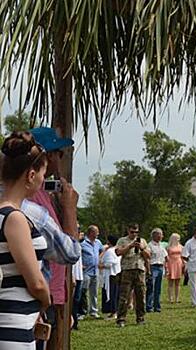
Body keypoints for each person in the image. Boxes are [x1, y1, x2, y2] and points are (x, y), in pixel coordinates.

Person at [28, 126, 80, 347]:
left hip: (47, 295)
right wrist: (70, 208)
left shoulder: (37, 194)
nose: (62, 158)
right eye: (59, 153)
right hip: (41, 297)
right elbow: (70, 251)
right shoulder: (33, 202)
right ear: (48, 157)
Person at [0, 131, 51, 349]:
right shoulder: (15, 219)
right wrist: (46, 301)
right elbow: (36, 282)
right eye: (43, 174)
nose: (43, 180)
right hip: (14, 320)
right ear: (31, 175)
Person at [115, 223, 151, 327]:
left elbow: (148, 256)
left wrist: (142, 248)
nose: (134, 234)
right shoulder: (122, 240)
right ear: (128, 230)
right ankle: (121, 319)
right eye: (132, 232)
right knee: (124, 296)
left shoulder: (142, 241)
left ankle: (140, 318)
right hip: (127, 270)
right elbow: (118, 252)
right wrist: (130, 246)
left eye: (136, 232)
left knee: (141, 295)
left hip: (139, 270)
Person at [81, 225, 104, 318]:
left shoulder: (98, 242)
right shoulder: (82, 242)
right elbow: (77, 253)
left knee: (94, 292)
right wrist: (80, 264)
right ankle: (82, 311)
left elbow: (102, 250)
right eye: (96, 232)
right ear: (91, 233)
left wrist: (99, 258)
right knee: (83, 292)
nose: (98, 234)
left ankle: (93, 311)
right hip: (86, 271)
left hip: (95, 271)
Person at [146, 228, 167, 313]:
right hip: (153, 266)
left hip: (160, 267)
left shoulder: (161, 246)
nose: (161, 236)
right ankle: (149, 306)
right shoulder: (149, 245)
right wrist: (148, 270)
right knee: (151, 287)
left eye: (161, 235)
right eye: (159, 234)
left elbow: (165, 257)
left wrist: (166, 267)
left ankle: (157, 306)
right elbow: (147, 258)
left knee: (158, 288)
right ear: (154, 235)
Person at [100, 235, 121, 320]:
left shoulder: (110, 251)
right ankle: (113, 311)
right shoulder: (117, 250)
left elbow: (109, 263)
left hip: (111, 275)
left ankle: (113, 312)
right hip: (115, 274)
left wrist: (102, 266)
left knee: (112, 294)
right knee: (114, 293)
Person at [165, 233, 184, 303]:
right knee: (170, 282)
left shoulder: (181, 246)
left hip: (178, 263)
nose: (178, 240)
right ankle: (170, 298)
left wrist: (183, 264)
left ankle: (177, 298)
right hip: (171, 263)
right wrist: (166, 266)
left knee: (178, 282)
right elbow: (166, 257)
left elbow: (182, 255)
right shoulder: (168, 247)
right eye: (177, 238)